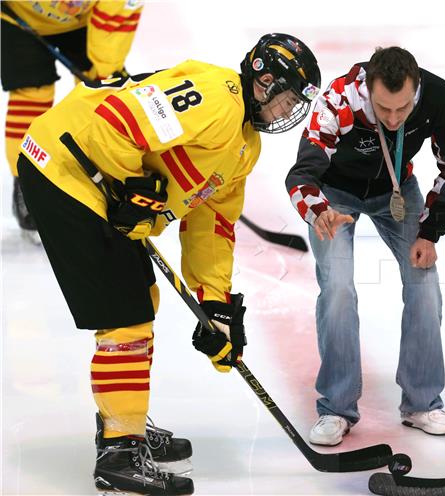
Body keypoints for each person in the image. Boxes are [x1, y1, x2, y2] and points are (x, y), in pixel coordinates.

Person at [16, 33, 321, 494]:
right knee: (126, 318)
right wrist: (129, 186)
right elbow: (116, 121)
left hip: (92, 188)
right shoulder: (217, 96)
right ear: (262, 81)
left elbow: (213, 224)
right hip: (64, 173)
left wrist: (216, 304)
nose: (287, 111)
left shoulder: (245, 146)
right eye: (286, 98)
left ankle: (125, 421)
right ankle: (120, 452)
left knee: (141, 301)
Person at [285, 47, 445, 446]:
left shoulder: (435, 96)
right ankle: (336, 408)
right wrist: (318, 212)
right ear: (368, 89)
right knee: (337, 290)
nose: (391, 118)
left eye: (402, 109)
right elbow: (301, 175)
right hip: (335, 196)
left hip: (396, 189)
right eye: (383, 108)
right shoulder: (338, 101)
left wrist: (430, 231)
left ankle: (422, 403)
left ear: (415, 89)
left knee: (424, 285)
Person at [2, 0, 144, 243]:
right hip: (17, 15)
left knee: (100, 93)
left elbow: (114, 27)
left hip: (85, 22)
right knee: (32, 95)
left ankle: (102, 172)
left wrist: (102, 76)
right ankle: (26, 181)